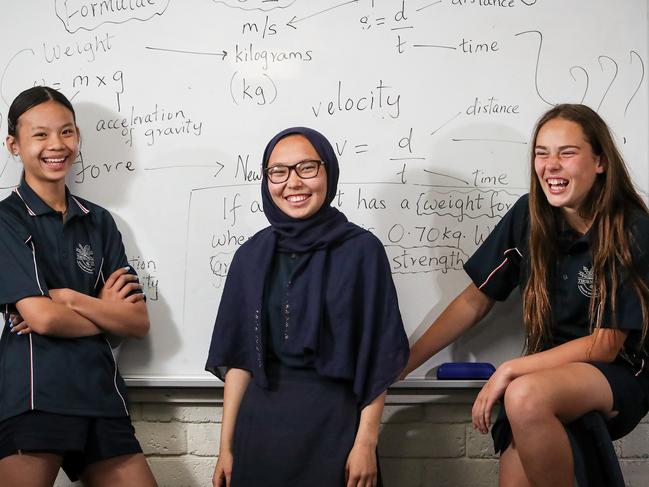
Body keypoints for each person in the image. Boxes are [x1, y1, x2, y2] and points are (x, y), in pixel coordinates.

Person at [401, 104, 649, 486]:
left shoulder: (631, 227)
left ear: (600, 162)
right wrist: (401, 365)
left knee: (522, 395)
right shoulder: (528, 216)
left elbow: (604, 347)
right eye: (541, 153)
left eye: (567, 153)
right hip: (546, 374)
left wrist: (511, 369)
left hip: (617, 372)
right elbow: (475, 299)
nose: (551, 165)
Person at [206, 127, 409, 487]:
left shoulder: (362, 251)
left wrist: (366, 441)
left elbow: (379, 355)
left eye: (307, 168)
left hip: (336, 427)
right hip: (260, 431)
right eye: (279, 172)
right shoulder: (250, 256)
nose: (293, 183)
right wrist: (226, 448)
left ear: (328, 172)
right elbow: (238, 362)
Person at [0, 86, 157, 487]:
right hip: (35, 397)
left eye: (67, 132)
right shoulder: (7, 219)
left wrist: (69, 298)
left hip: (101, 395)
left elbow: (137, 322)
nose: (57, 145)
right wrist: (105, 313)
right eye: (40, 134)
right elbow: (42, 318)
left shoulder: (100, 221)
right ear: (13, 145)